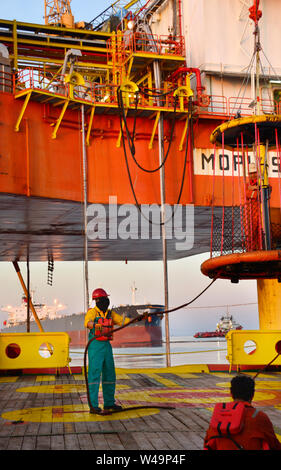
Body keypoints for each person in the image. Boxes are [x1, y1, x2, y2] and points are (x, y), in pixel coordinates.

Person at [84, 288, 131, 414]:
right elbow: (86, 322)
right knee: (94, 374)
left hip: (106, 346)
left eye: (106, 299)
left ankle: (109, 403)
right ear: (98, 300)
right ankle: (93, 406)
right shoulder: (93, 312)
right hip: (95, 345)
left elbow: (122, 321)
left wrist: (137, 319)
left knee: (110, 374)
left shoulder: (110, 314)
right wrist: (94, 325)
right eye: (104, 299)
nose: (106, 301)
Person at [204, 375, 281, 450]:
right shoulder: (260, 417)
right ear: (253, 394)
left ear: (231, 393)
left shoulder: (218, 416)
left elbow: (207, 443)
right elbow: (274, 445)